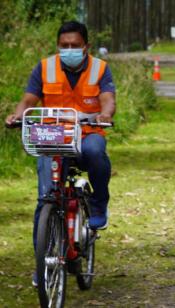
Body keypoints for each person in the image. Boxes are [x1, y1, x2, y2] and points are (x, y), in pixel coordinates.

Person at [4, 21, 115, 286]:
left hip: (87, 133)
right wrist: (18, 115)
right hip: (52, 138)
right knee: (45, 200)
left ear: (85, 46)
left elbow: (108, 98)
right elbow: (29, 99)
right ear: (58, 46)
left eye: (75, 46)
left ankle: (99, 202)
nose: (69, 50)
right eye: (64, 46)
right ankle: (42, 263)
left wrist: (105, 114)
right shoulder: (44, 68)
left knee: (97, 154)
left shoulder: (100, 68)